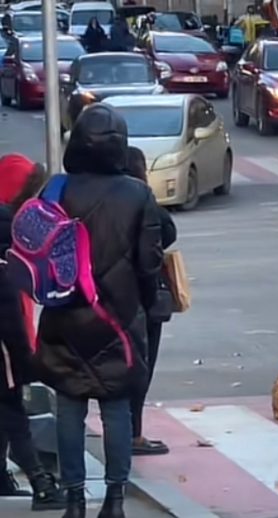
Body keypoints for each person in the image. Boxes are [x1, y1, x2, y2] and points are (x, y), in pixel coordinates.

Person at [30, 104, 164, 518]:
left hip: (65, 313)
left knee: (70, 405)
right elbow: (149, 262)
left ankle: (73, 499)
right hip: (119, 319)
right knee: (116, 407)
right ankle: (115, 499)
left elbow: (35, 249)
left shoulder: (55, 189)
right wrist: (143, 304)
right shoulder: (137, 193)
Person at [0, 154, 67, 511]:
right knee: (13, 412)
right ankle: (42, 484)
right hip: (4, 348)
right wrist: (24, 357)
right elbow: (9, 312)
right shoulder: (8, 241)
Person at [123, 147, 176, 457]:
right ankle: (132, 435)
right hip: (143, 299)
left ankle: (125, 433)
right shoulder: (142, 201)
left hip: (105, 298)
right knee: (140, 369)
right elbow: (167, 232)